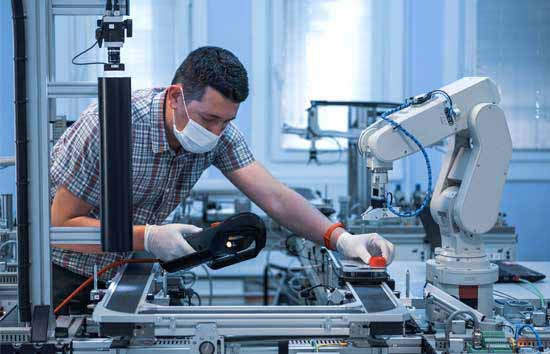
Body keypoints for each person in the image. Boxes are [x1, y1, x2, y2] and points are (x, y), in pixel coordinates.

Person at [50, 46, 395, 311]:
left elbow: (274, 197)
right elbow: (60, 229)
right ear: (175, 96)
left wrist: (342, 239)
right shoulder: (112, 126)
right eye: (209, 118)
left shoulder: (218, 132)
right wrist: (149, 237)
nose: (216, 132)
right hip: (68, 278)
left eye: (226, 122)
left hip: (128, 275)